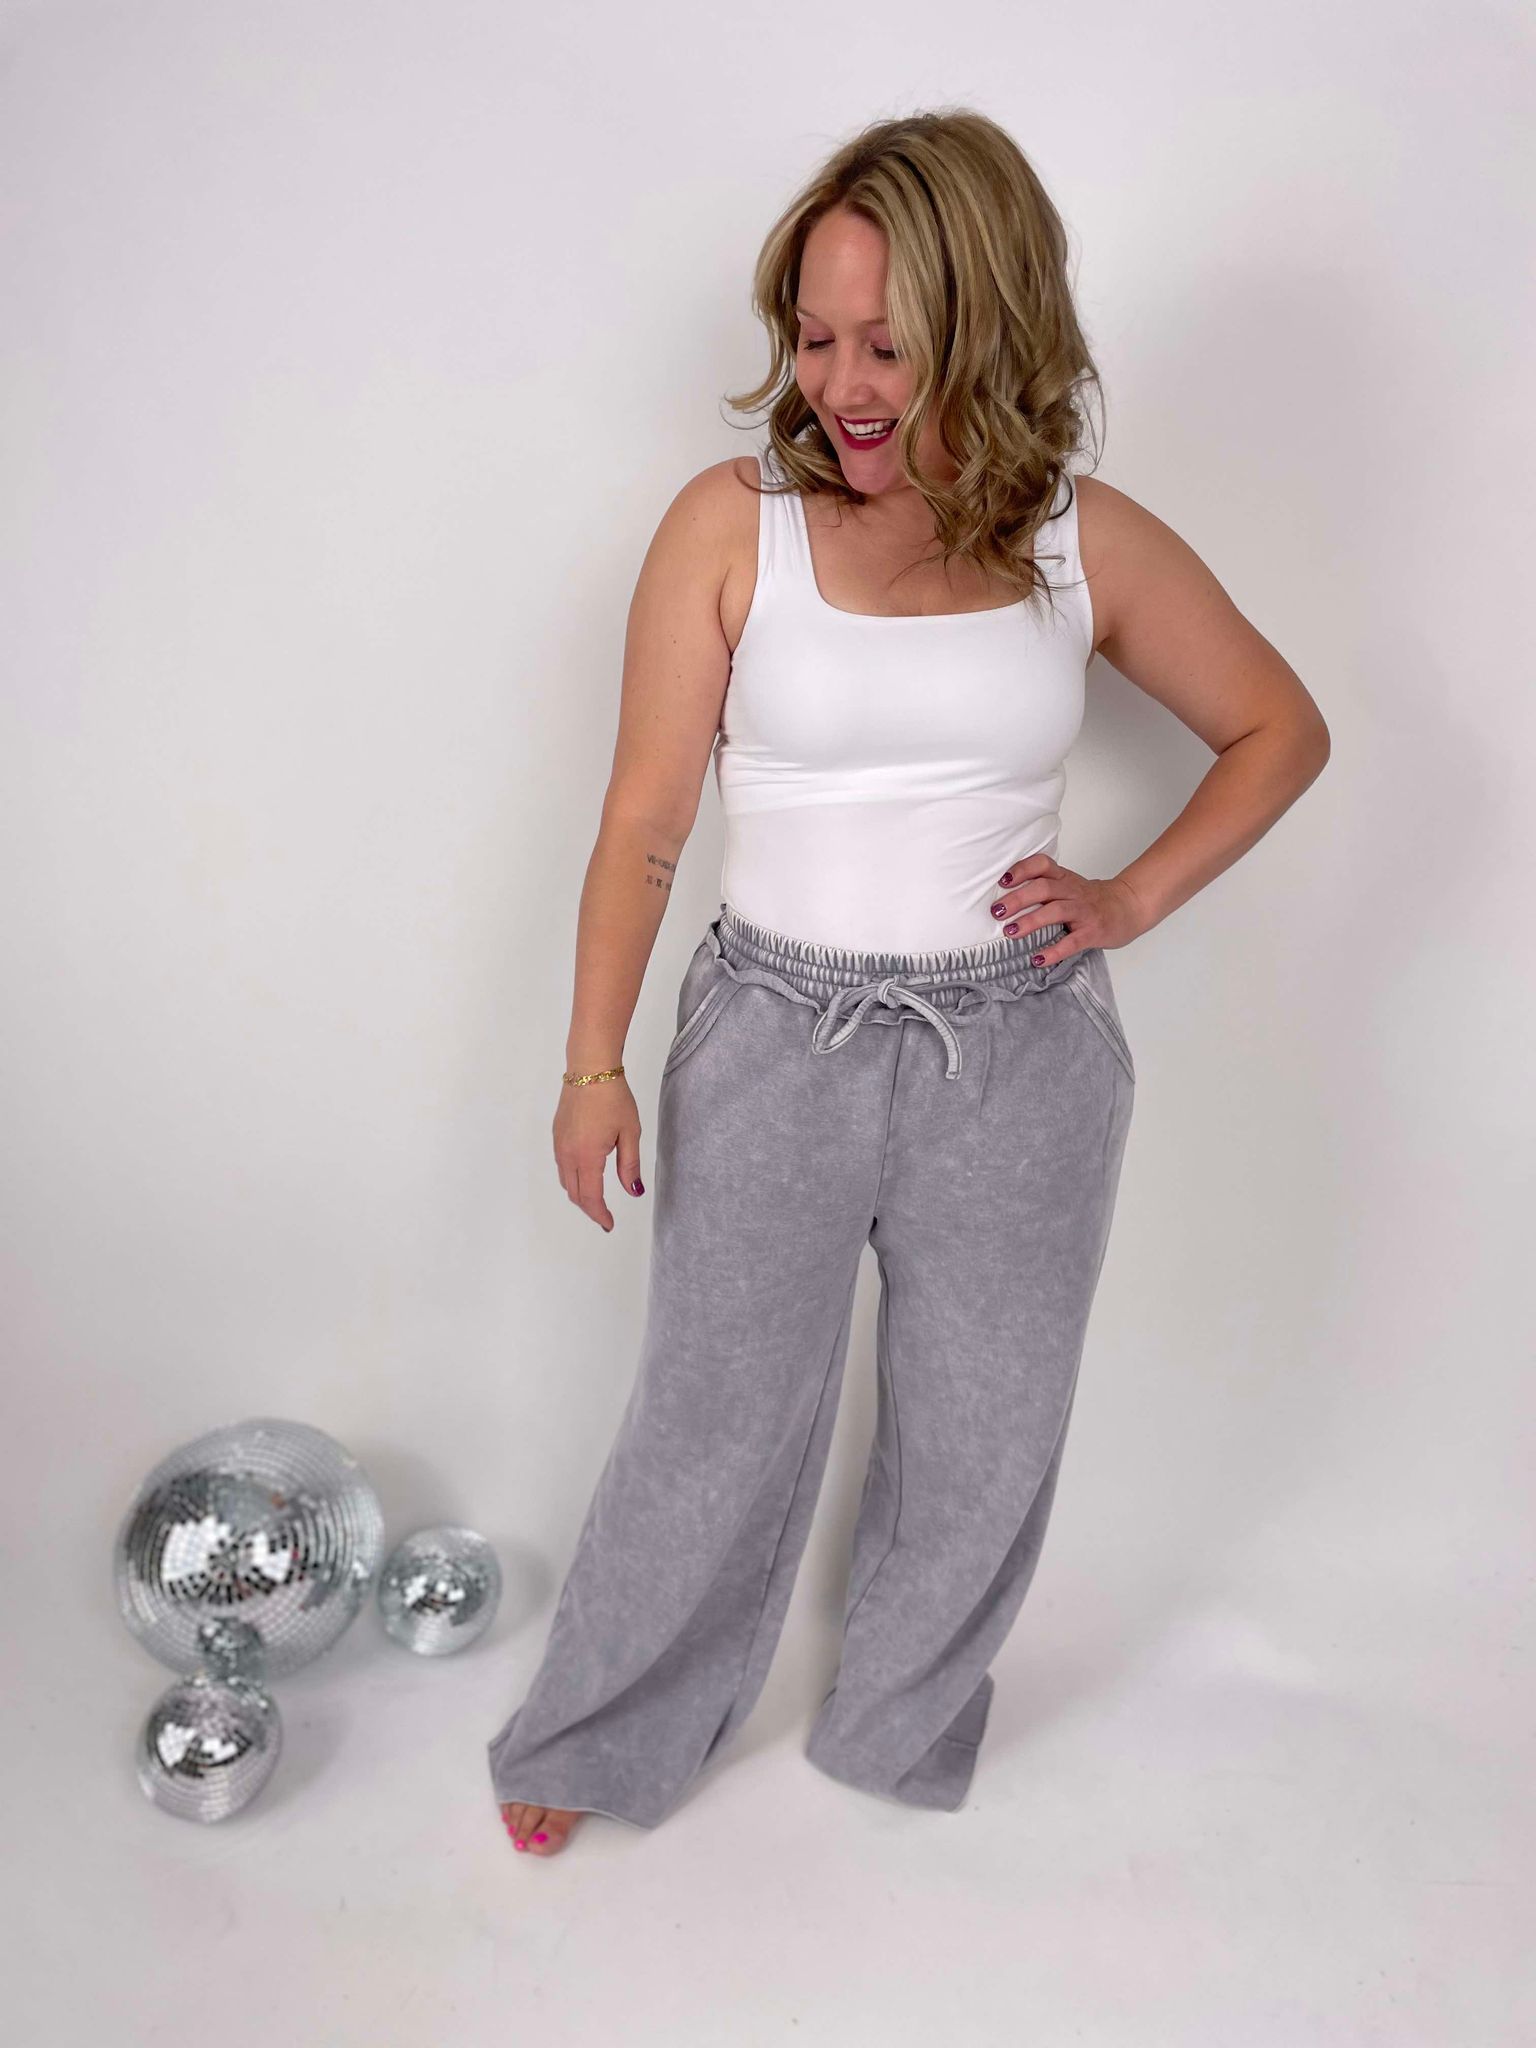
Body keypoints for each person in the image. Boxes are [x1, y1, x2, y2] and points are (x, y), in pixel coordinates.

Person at [488, 108, 1330, 1858]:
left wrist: (1130, 896)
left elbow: (1279, 727)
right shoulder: (732, 529)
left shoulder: (1085, 541)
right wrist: (591, 1062)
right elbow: (645, 821)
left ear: (987, 325)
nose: (842, 383)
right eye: (814, 336)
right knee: (713, 1415)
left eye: (888, 343)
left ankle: (899, 1722)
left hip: (1019, 1057)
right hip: (772, 1037)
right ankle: (610, 1724)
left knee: (984, 1430)